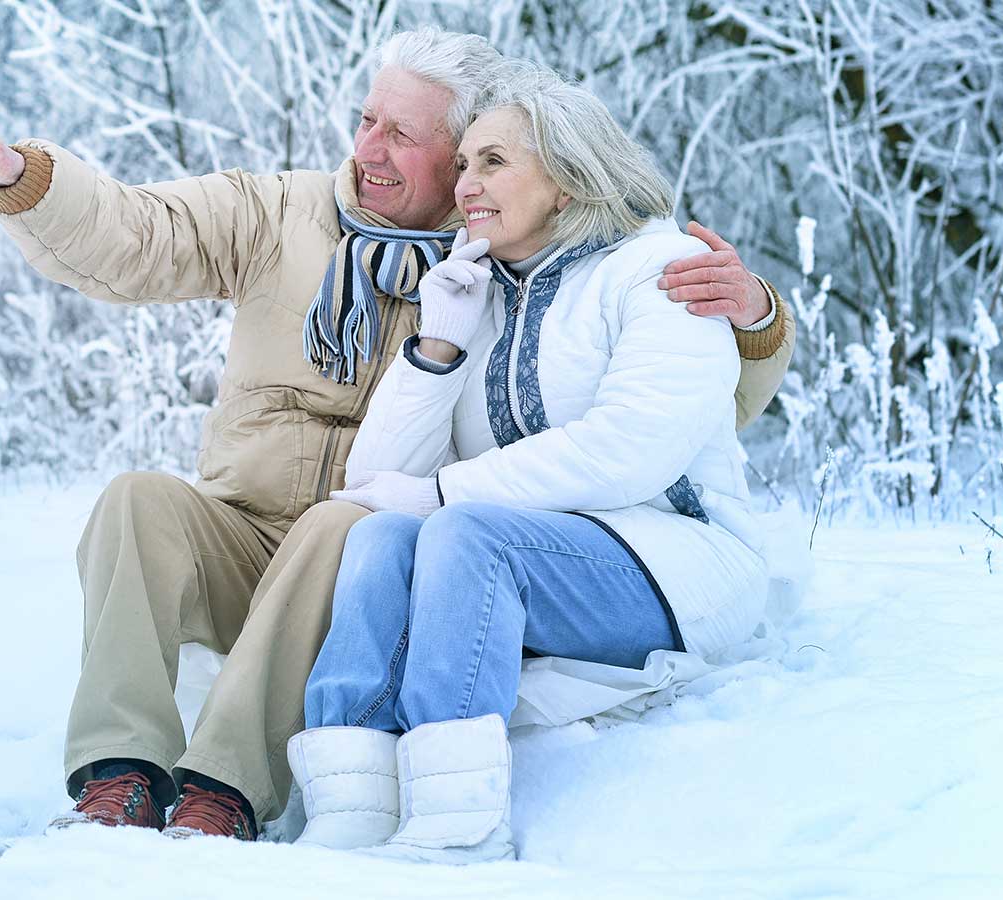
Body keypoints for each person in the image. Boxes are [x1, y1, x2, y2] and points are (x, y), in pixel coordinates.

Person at [0, 27, 794, 840]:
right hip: (249, 533)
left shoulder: (508, 260)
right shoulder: (278, 215)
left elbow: (677, 407)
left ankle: (225, 789)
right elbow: (137, 234)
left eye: (402, 136)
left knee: (350, 521)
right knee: (136, 501)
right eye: (365, 121)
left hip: (371, 567)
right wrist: (20, 175)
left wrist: (752, 317)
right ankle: (119, 775)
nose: (368, 150)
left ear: (465, 158)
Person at [286, 61, 774, 862]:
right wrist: (438, 341)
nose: (464, 183)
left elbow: (630, 447)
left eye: (493, 162)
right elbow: (376, 487)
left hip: (679, 564)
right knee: (378, 540)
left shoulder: (659, 271)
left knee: (462, 531)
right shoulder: (485, 291)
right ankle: (354, 804)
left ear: (571, 182)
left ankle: (458, 822)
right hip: (533, 562)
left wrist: (445, 491)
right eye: (465, 160)